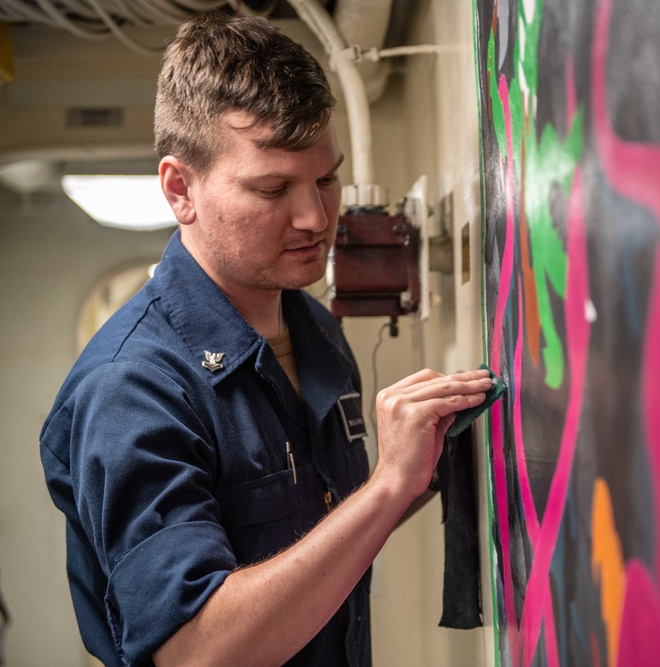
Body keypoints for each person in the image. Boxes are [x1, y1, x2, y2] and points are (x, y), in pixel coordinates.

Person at [39, 12, 490, 667]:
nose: (316, 218)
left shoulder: (315, 332)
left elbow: (313, 529)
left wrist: (419, 471)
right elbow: (195, 649)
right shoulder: (130, 387)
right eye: (273, 188)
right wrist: (387, 486)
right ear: (179, 188)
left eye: (326, 179)